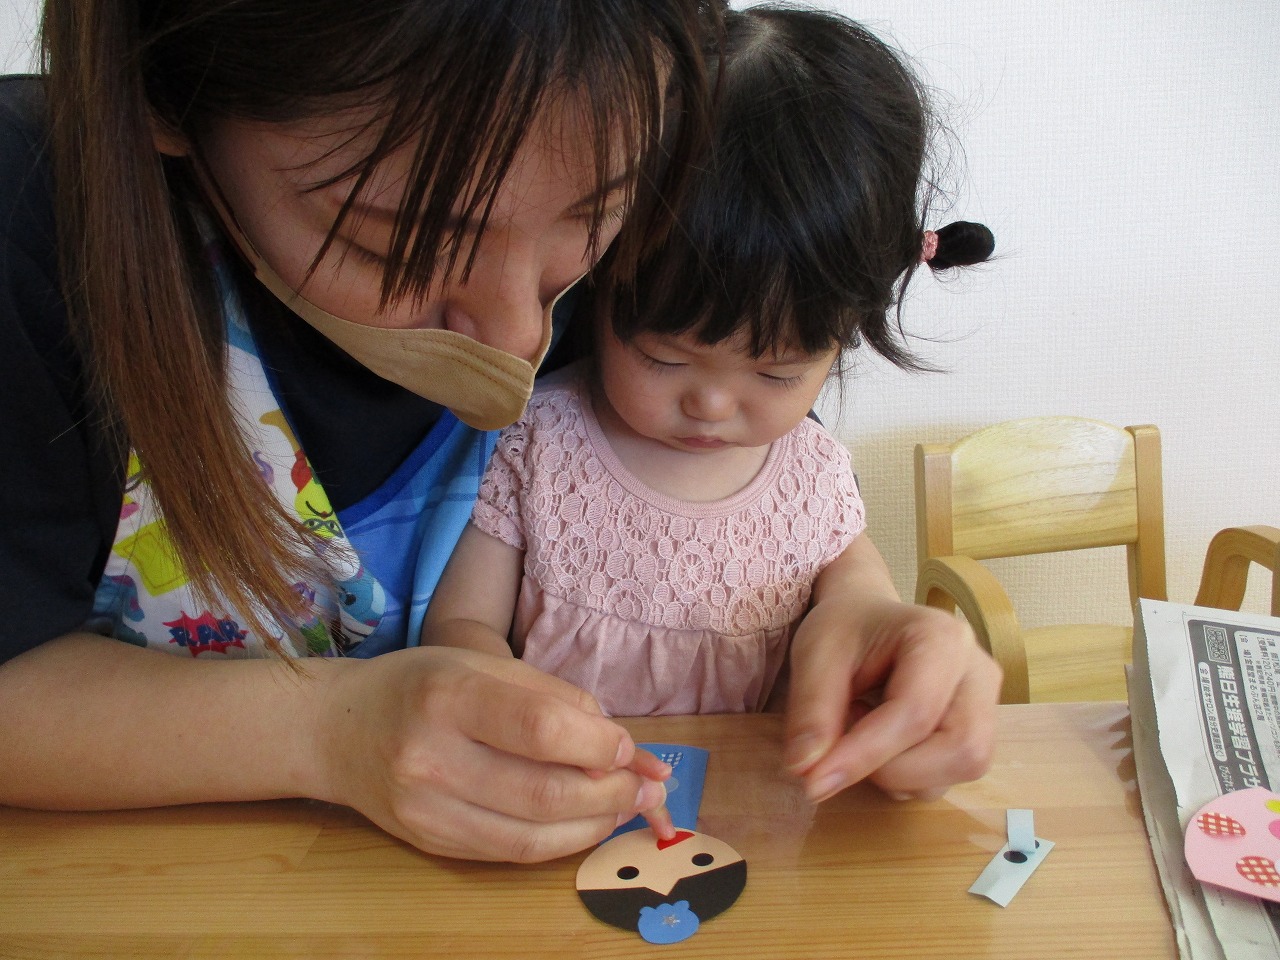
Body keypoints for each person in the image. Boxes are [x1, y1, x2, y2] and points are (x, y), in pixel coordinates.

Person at [0, 0, 996, 865]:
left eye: (602, 214)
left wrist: (857, 616)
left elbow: (778, 506)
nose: (524, 333)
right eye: (401, 243)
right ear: (166, 94)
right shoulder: (31, 220)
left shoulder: (654, 182)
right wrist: (330, 731)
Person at [423, 4, 1002, 802]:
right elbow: (460, 624)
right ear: (598, 281)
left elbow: (861, 603)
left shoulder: (812, 476)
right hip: (558, 797)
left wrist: (886, 651)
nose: (711, 403)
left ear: (842, 339)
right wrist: (501, 697)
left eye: (777, 374)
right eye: (663, 357)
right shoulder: (540, 439)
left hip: (754, 803)